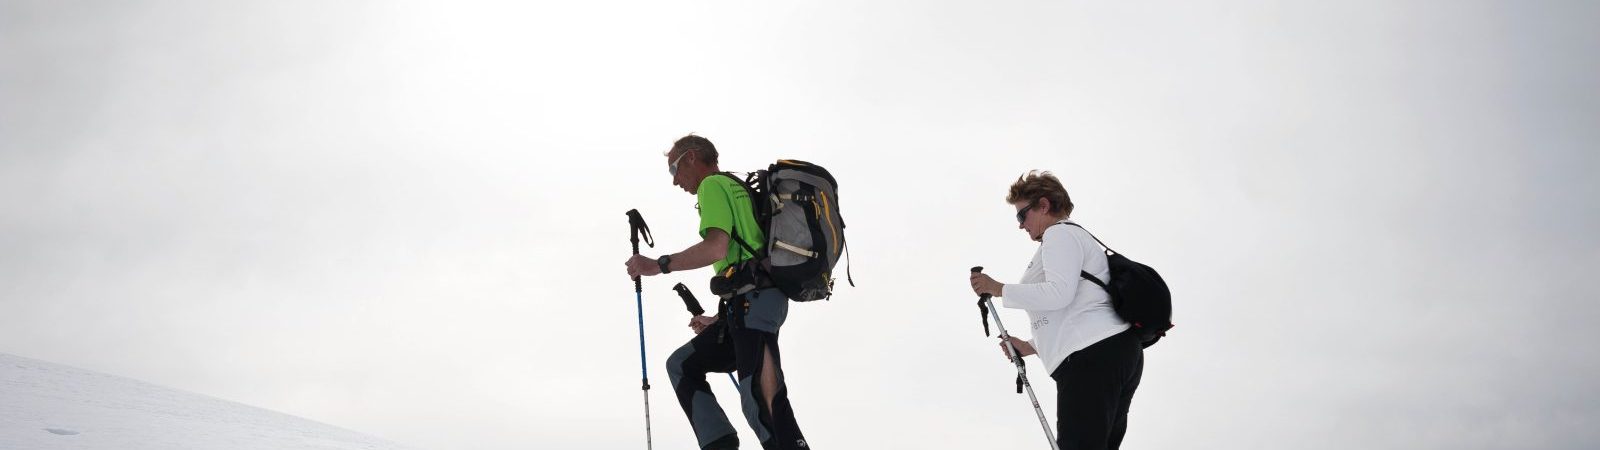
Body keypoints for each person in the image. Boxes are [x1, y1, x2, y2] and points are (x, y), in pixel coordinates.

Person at [624, 134, 810, 450]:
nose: (674, 182)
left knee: (760, 398)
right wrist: (720, 319)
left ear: (692, 157)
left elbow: (716, 247)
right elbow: (743, 256)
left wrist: (658, 264)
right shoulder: (732, 187)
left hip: (755, 304)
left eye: (673, 170)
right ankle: (719, 443)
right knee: (683, 365)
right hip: (747, 306)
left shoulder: (713, 186)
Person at [967, 171, 1144, 450]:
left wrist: (999, 288)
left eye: (1021, 215)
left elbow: (1058, 294)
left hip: (1091, 357)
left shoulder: (1059, 234)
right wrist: (1031, 345)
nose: (1020, 225)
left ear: (1044, 205)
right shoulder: (1071, 237)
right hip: (1109, 351)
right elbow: (1078, 305)